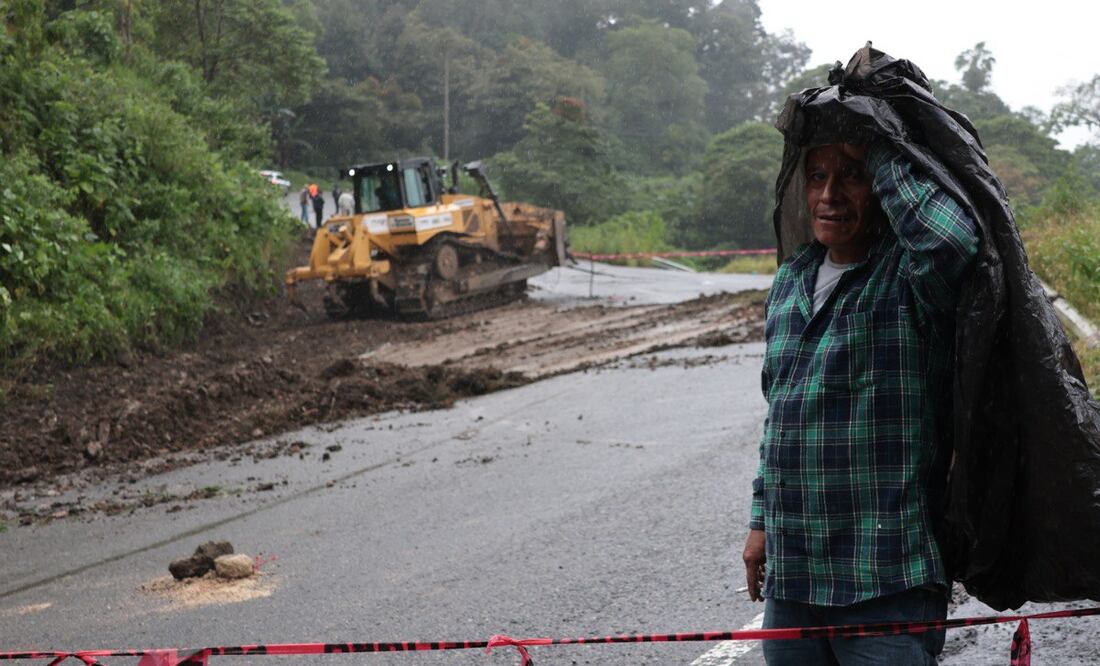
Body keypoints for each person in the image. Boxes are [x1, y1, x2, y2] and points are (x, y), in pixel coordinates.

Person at [743, 141, 978, 664]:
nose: (830, 194)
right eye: (817, 177)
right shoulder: (790, 280)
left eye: (851, 177)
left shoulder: (911, 277)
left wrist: (879, 148)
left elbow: (951, 240)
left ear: (880, 187)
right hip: (795, 582)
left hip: (885, 578)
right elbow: (778, 415)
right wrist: (760, 523)